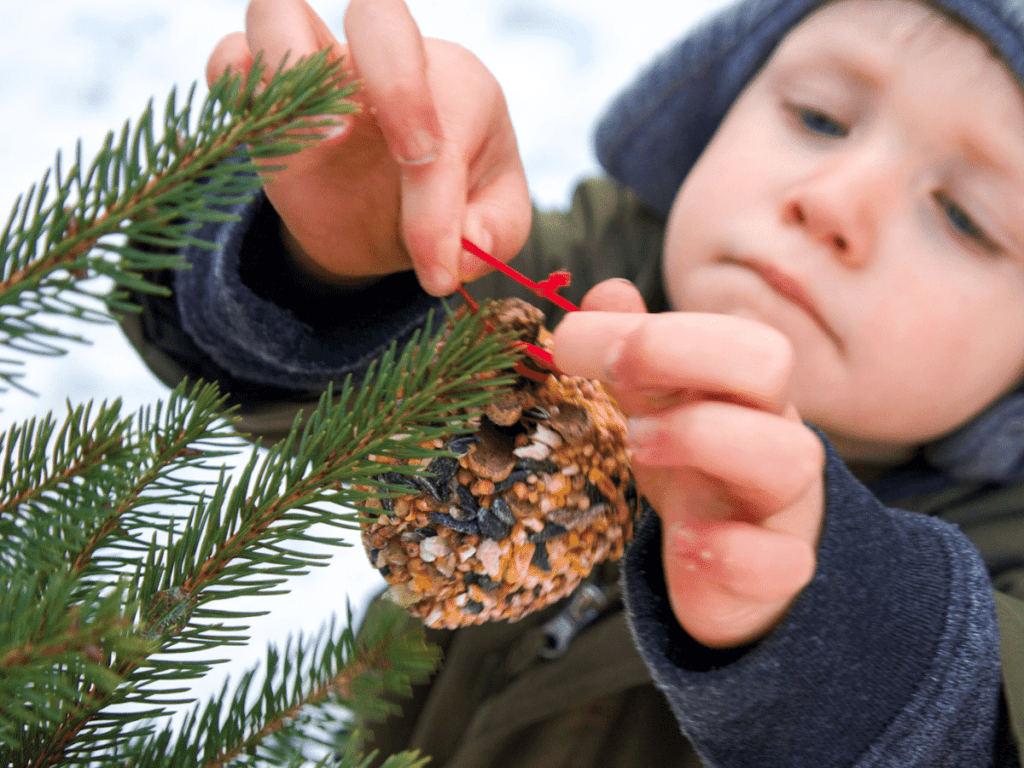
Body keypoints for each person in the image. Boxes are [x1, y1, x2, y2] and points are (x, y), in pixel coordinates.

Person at [120, 0, 1024, 764]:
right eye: (820, 117)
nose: (832, 199)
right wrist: (332, 262)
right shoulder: (568, 297)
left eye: (966, 216)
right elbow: (232, 341)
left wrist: (823, 630)